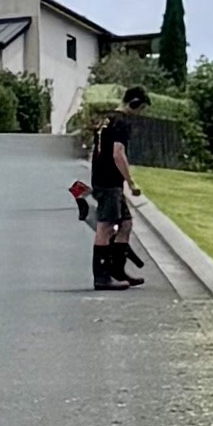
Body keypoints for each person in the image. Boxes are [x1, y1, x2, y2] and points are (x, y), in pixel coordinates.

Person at [85, 94, 146, 289]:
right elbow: (118, 154)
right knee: (106, 226)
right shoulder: (121, 123)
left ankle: (117, 270)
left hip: (105, 180)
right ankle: (101, 276)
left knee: (125, 223)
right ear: (134, 104)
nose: (140, 113)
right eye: (141, 108)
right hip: (109, 182)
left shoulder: (107, 120)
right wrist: (131, 182)